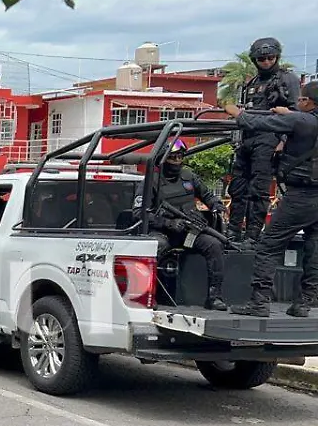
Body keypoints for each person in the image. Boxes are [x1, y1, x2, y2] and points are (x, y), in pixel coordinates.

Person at [226, 82, 318, 316]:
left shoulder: (300, 121)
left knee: (268, 246)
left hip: (301, 196)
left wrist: (237, 113)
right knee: (314, 249)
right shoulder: (301, 118)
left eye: (301, 100)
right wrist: (291, 113)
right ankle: (304, 304)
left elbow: (258, 123)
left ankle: (259, 304)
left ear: (307, 102)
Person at [114, 139, 230, 310]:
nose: (177, 161)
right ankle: (146, 295)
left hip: (187, 232)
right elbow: (139, 213)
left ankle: (214, 297)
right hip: (162, 231)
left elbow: (207, 195)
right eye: (173, 157)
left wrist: (216, 204)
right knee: (155, 247)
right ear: (163, 158)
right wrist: (168, 223)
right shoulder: (150, 181)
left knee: (214, 245)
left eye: (180, 157)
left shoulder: (189, 176)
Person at [227, 37, 301, 242]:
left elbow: (295, 115)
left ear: (277, 57)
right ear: (255, 60)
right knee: (238, 187)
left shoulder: (287, 79)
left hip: (270, 138)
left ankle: (252, 233)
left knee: (258, 190)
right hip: (247, 138)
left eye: (270, 57)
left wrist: (283, 142)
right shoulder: (251, 82)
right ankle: (233, 231)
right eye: (262, 59)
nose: (266, 62)